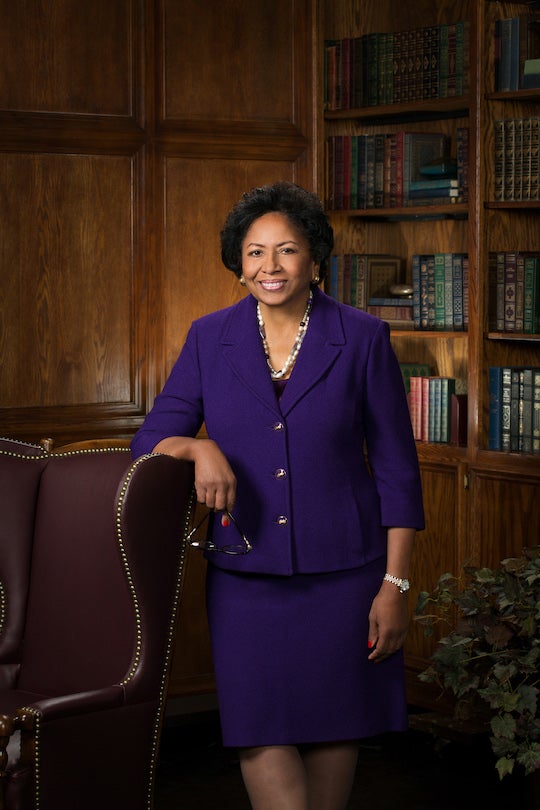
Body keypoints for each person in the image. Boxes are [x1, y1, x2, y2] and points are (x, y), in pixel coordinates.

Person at [131, 181, 424, 810]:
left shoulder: (364, 337)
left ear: (314, 259)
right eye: (255, 252)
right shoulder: (211, 338)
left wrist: (395, 587)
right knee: (258, 728)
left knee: (333, 729)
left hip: (346, 575)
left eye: (286, 251)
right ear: (239, 265)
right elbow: (153, 437)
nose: (270, 266)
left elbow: (398, 472)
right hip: (246, 575)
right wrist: (198, 448)